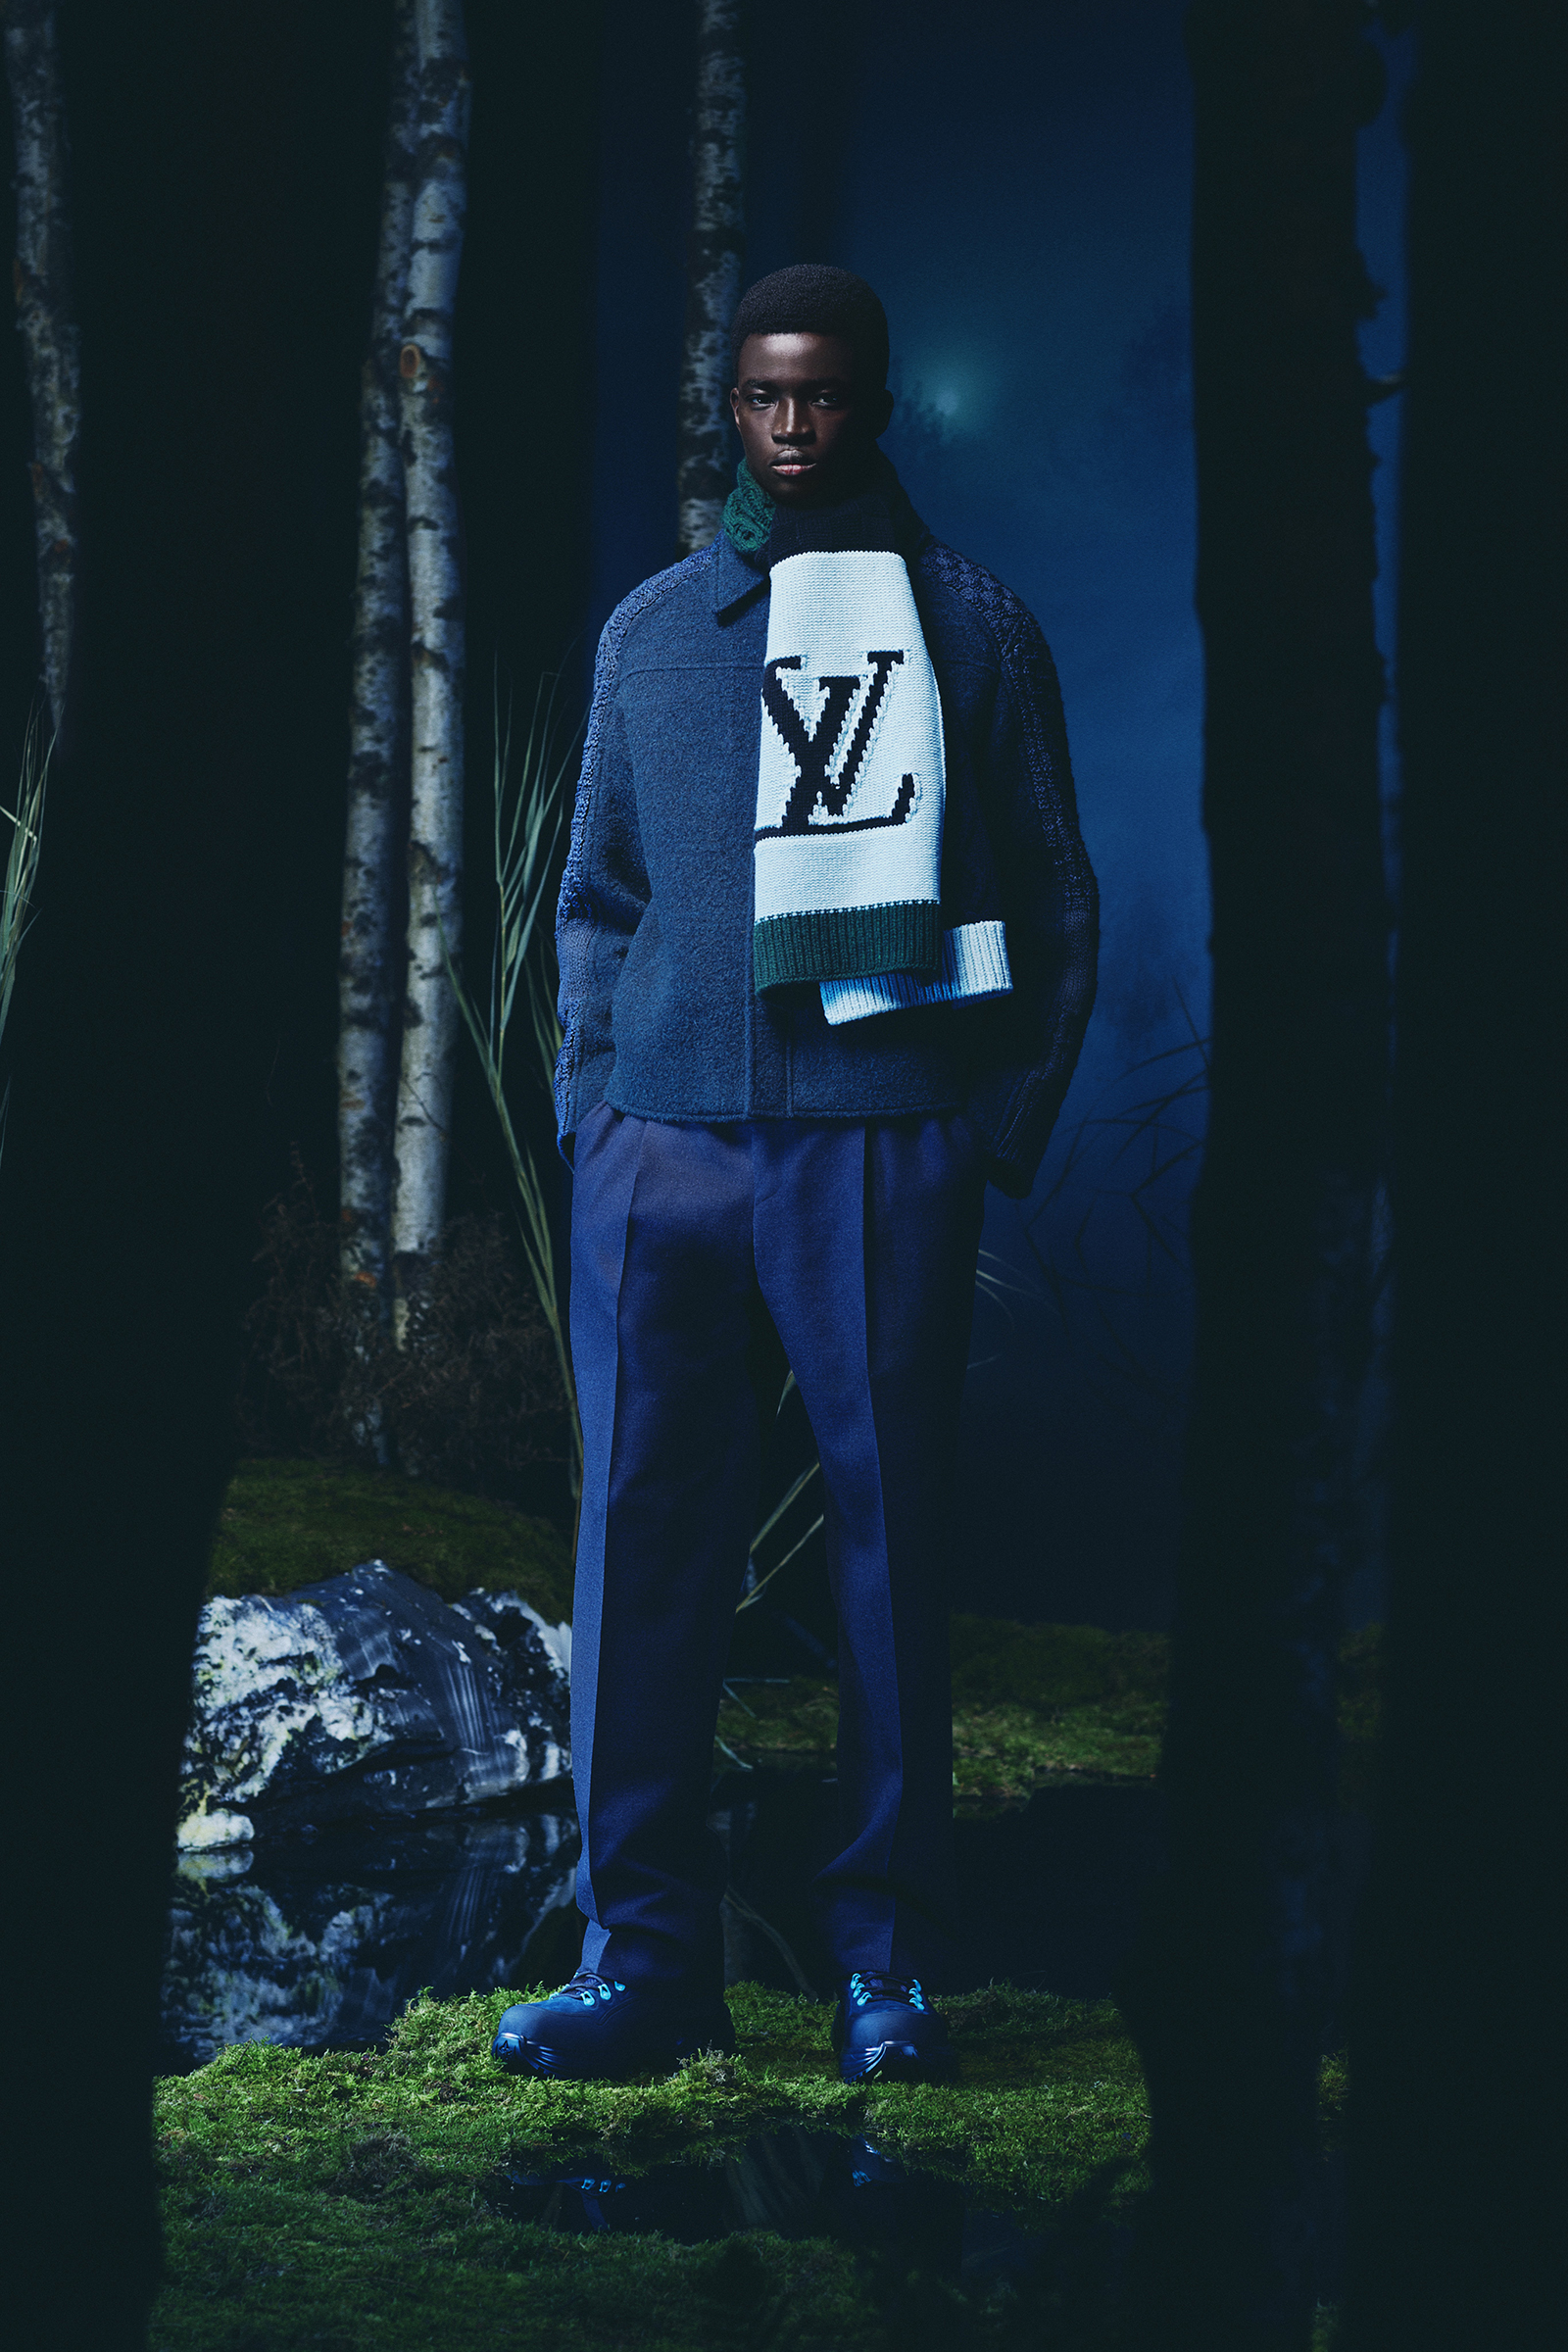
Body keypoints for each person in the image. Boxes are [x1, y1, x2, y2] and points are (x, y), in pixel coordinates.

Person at [493, 265, 1097, 2085]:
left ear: (874, 404)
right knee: (639, 1537)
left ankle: (885, 1965)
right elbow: (596, 896)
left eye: (822, 395)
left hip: (882, 1140)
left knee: (890, 1542)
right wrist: (597, 1104)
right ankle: (642, 1960)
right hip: (660, 1143)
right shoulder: (654, 631)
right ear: (731, 406)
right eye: (763, 395)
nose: (791, 424)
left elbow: (1055, 899)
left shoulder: (971, 625)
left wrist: (982, 1131)